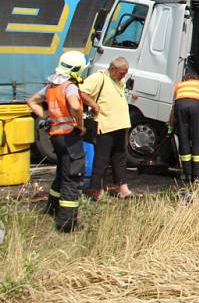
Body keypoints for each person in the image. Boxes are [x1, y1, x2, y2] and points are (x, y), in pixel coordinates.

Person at [26, 51, 89, 232]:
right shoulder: (69, 86)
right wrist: (79, 124)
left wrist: (46, 116)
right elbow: (76, 106)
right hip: (70, 135)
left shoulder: (52, 86)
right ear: (77, 70)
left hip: (55, 135)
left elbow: (32, 101)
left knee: (62, 172)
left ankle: (52, 208)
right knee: (73, 176)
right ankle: (66, 224)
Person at [82, 57, 134, 200]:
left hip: (120, 124)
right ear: (112, 69)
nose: (124, 76)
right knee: (102, 159)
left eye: (125, 73)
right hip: (105, 125)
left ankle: (123, 188)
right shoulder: (99, 78)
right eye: (122, 73)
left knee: (120, 157)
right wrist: (93, 104)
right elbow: (82, 92)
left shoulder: (120, 81)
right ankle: (96, 189)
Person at [169, 66, 199, 184]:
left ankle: (187, 174)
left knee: (183, 139)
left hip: (180, 106)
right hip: (195, 106)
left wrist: (171, 125)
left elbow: (174, 107)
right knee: (197, 139)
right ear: (196, 78)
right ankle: (198, 175)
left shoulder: (179, 86)